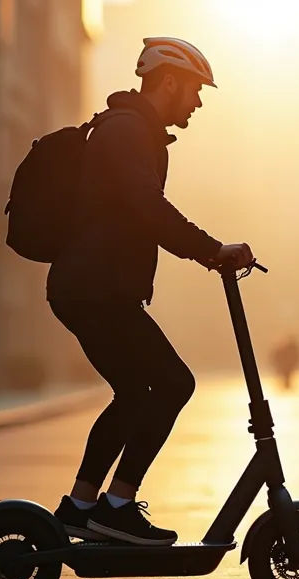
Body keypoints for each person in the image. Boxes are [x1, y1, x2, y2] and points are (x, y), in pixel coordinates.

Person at [46, 37, 255, 546]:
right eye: (195, 89)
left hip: (94, 288)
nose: (198, 102)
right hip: (96, 290)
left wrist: (208, 252)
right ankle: (116, 507)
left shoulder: (133, 130)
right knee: (173, 384)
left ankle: (80, 507)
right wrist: (212, 250)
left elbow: (140, 210)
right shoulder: (128, 132)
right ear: (169, 82)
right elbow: (148, 208)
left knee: (136, 392)